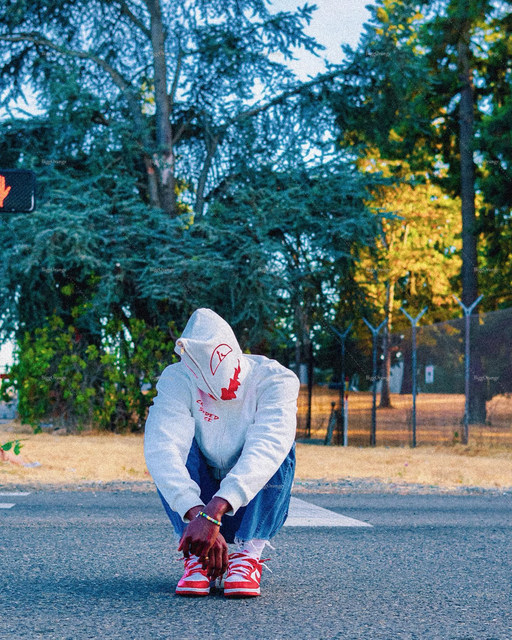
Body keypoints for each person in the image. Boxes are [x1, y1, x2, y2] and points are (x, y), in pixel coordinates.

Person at [144, 308, 300, 597]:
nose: (224, 394)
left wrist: (214, 513)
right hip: (200, 511)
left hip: (246, 506)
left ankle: (247, 554)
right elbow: (162, 448)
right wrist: (197, 515)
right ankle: (197, 555)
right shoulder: (177, 379)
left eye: (230, 383)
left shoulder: (276, 379)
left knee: (279, 447)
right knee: (167, 444)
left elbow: (268, 445)